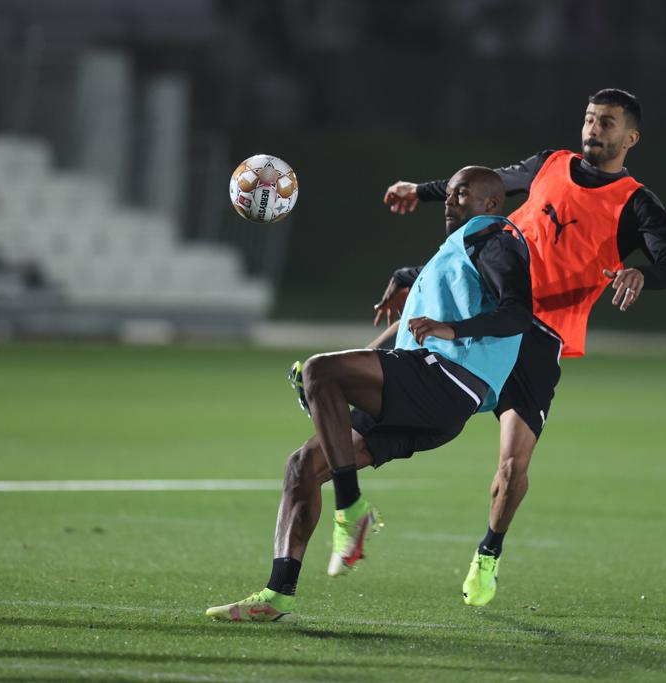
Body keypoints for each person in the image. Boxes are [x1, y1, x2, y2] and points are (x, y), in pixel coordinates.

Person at [377, 89, 666, 607]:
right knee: (414, 320)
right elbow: (486, 184)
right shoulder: (550, 163)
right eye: (589, 119)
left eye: (606, 123)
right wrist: (422, 190)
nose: (593, 129)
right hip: (487, 301)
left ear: (630, 137)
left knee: (512, 467)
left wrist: (640, 273)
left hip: (540, 335)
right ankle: (335, 380)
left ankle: (488, 553)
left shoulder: (637, 203)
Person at [206, 166, 532, 622]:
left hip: (445, 382)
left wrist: (449, 328)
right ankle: (277, 595)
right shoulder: (459, 248)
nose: (451, 201)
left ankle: (351, 508)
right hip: (427, 395)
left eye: (462, 194)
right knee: (302, 466)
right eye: (450, 193)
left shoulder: (495, 240)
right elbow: (420, 319)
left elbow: (518, 313)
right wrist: (400, 297)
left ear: (491, 204)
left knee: (321, 369)